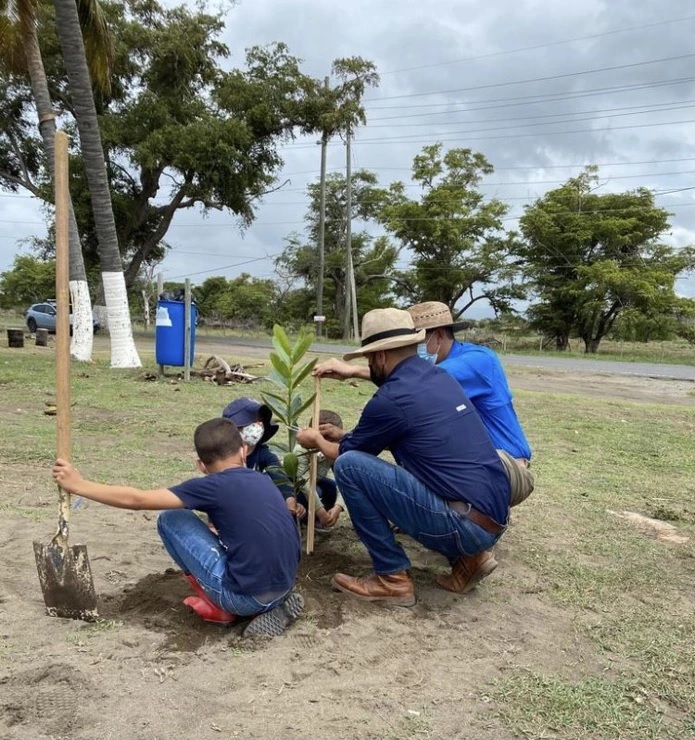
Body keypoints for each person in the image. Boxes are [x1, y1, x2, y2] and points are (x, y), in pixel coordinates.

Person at [296, 308, 511, 605]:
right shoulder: (439, 378)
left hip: (463, 524)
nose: (370, 365)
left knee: (348, 466)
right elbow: (396, 431)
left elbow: (346, 456)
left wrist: (317, 440)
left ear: (380, 357)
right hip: (491, 517)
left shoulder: (391, 400)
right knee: (368, 461)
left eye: (371, 358)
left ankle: (391, 577)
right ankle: (470, 559)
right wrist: (343, 434)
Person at [52, 418, 303, 637]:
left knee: (171, 518)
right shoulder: (262, 480)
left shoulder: (212, 485)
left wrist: (79, 485)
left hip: (244, 599)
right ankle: (274, 605)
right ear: (243, 451)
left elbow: (138, 500)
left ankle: (221, 609)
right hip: (286, 584)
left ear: (201, 466)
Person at [314, 302, 534, 509]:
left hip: (506, 466)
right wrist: (345, 435)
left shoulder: (477, 360)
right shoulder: (434, 372)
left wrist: (352, 370)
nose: (408, 352)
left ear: (438, 336)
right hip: (477, 466)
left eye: (413, 343)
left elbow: (412, 381)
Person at [222, 397, 306, 519]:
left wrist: (290, 500)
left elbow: (280, 478)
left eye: (260, 420)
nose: (258, 425)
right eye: (252, 421)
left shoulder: (265, 454)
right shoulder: (221, 457)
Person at [295, 410, 346, 530]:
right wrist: (320, 511)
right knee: (317, 491)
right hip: (296, 487)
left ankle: (323, 518)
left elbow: (343, 480)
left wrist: (338, 507)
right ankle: (307, 518)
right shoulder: (301, 450)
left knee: (331, 487)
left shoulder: (334, 450)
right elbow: (304, 484)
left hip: (316, 482)